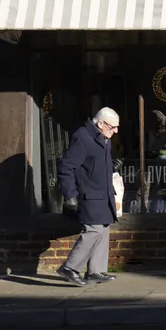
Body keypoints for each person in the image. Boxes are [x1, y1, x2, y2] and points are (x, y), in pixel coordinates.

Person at [56, 107, 121, 286]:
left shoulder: (104, 138)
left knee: (103, 229)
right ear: (100, 124)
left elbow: (93, 164)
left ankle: (95, 271)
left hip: (102, 193)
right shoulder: (83, 138)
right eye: (113, 127)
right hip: (88, 194)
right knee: (94, 230)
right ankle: (70, 267)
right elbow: (66, 167)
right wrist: (70, 195)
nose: (116, 131)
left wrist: (112, 166)